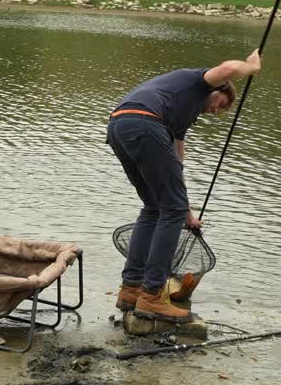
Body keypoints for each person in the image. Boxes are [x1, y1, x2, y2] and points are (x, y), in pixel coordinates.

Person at [107, 50, 262, 321]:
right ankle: (152, 295)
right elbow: (226, 69)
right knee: (168, 210)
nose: (217, 111)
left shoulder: (180, 113)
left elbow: (176, 161)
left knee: (155, 206)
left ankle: (130, 289)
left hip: (120, 125)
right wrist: (250, 67)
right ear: (218, 90)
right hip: (144, 124)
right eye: (221, 104)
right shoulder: (199, 81)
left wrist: (185, 211)